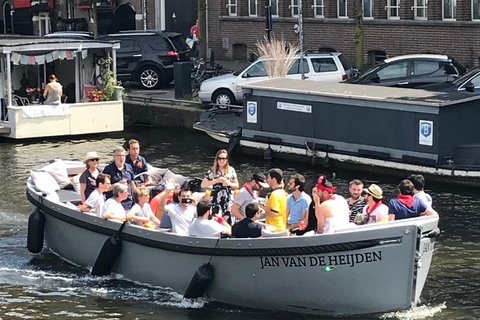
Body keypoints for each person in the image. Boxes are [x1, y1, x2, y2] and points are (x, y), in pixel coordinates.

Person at [201, 149, 239, 224]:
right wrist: (216, 180)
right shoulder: (212, 171)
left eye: (224, 158)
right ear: (217, 159)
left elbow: (236, 185)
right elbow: (203, 184)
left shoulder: (231, 170)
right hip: (216, 197)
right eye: (219, 158)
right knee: (216, 217)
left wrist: (229, 183)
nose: (221, 160)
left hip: (227, 198)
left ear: (227, 160)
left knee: (228, 217)